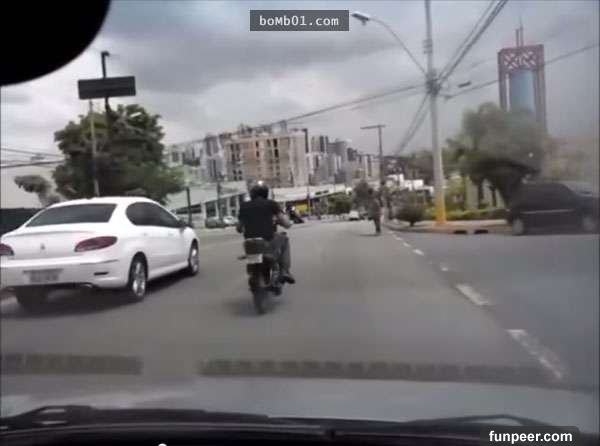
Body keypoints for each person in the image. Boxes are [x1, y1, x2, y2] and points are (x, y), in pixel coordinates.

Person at [237, 181, 295, 284]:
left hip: (249, 244)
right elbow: (286, 223)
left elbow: (239, 228)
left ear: (251, 194)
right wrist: (288, 223)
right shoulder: (271, 204)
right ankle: (284, 271)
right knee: (285, 239)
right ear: (266, 193)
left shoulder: (243, 206)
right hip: (267, 241)